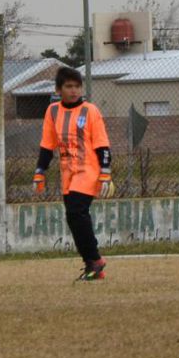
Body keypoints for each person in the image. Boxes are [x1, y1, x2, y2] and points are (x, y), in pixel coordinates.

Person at [34, 67, 116, 281]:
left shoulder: (90, 111)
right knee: (73, 217)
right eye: (69, 86)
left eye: (77, 86)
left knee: (77, 212)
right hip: (68, 175)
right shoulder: (52, 111)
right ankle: (91, 264)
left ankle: (96, 259)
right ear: (58, 89)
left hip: (88, 171)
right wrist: (40, 171)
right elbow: (46, 146)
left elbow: (102, 145)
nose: (73, 91)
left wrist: (105, 172)